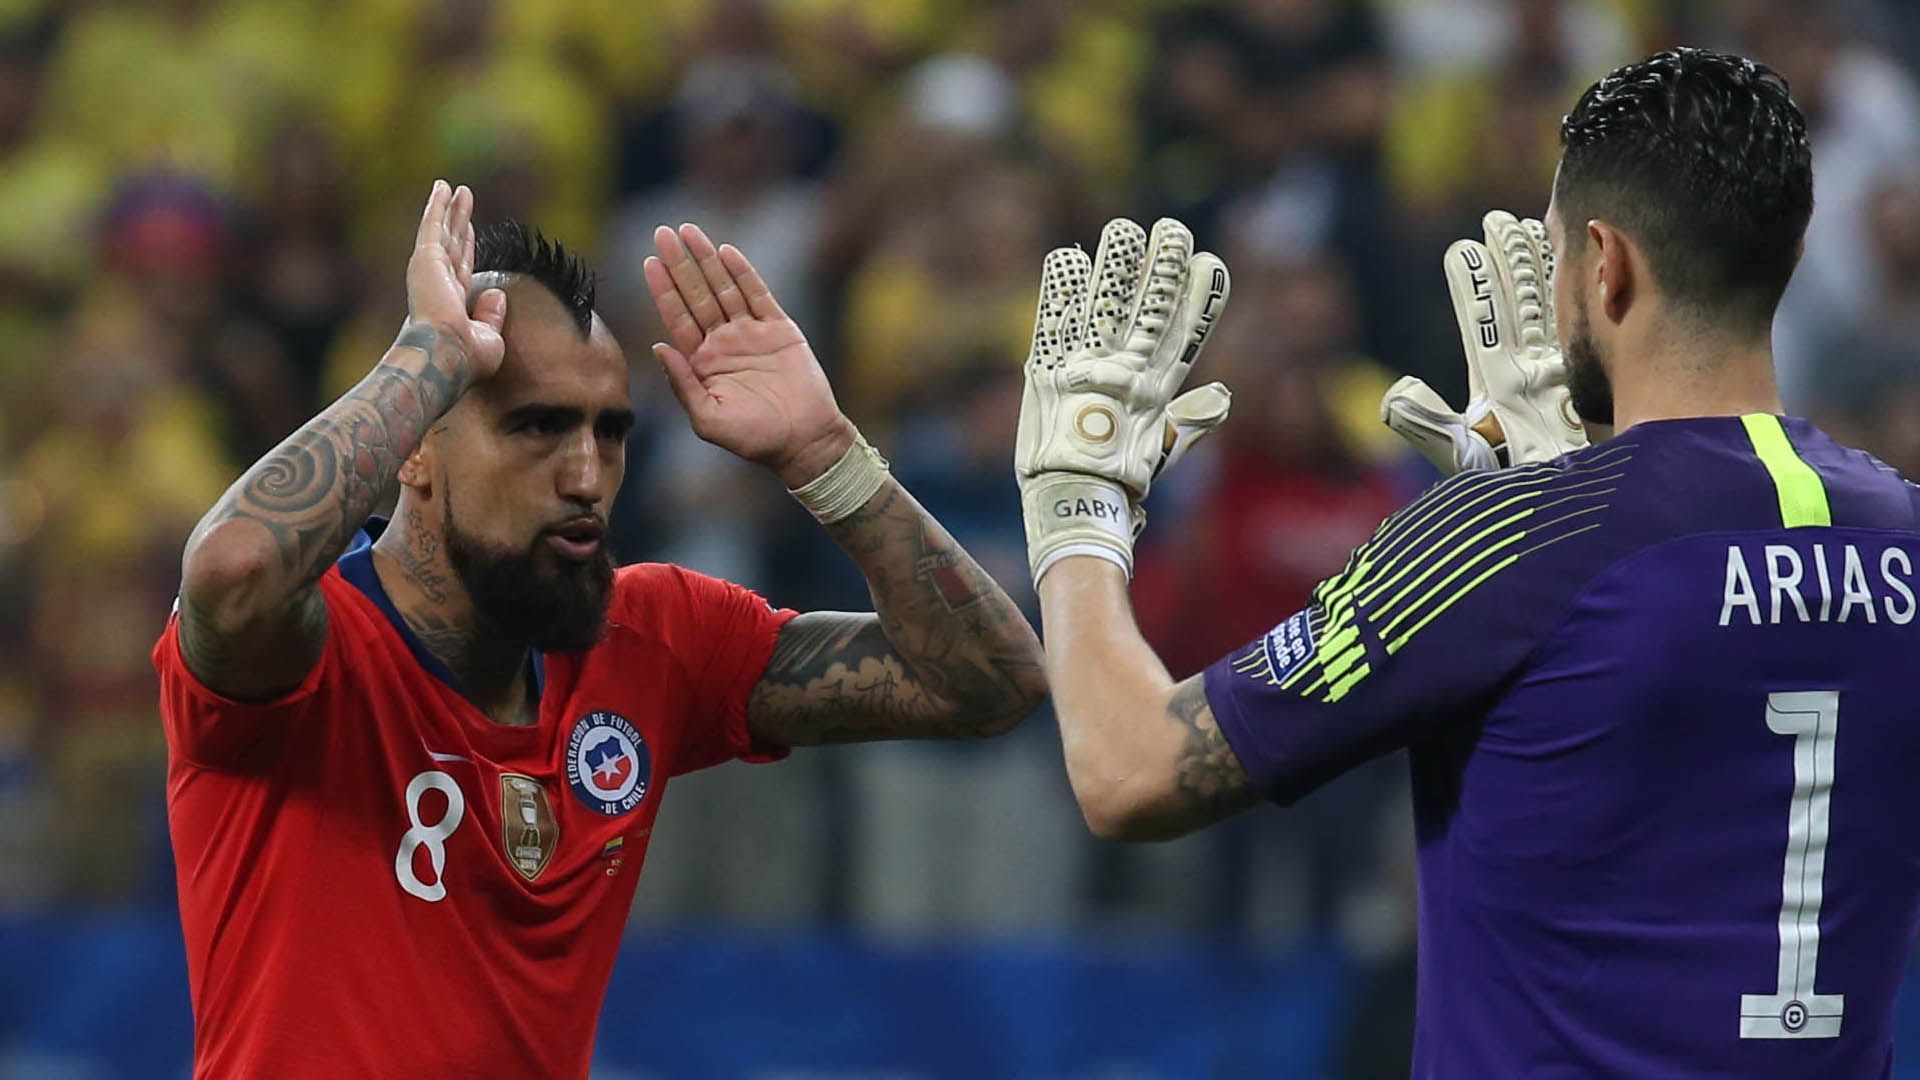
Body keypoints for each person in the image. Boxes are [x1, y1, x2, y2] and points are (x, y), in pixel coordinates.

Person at [1019, 49, 1920, 1075]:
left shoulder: (1506, 539)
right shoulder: (1903, 533)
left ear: (1604, 264)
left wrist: (1077, 508)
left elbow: (1129, 768)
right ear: (1796, 251)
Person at [153, 180, 1045, 1078]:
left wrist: (825, 458)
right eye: (537, 427)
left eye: (609, 433)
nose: (585, 474)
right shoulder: (308, 652)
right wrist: (428, 355)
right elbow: (233, 570)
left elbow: (987, 680)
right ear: (413, 447)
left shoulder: (652, 638)